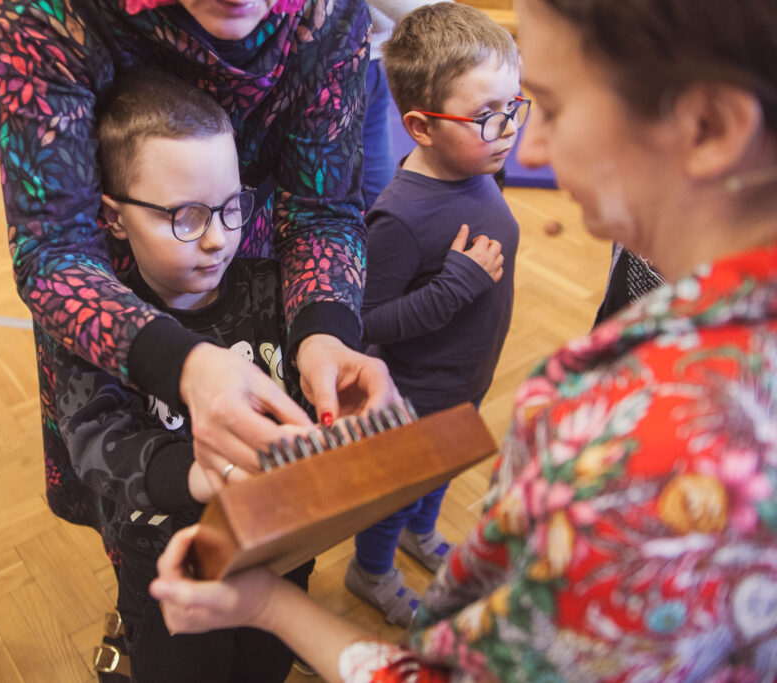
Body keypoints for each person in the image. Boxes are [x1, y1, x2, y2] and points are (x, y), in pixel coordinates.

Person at [149, 0, 777, 680]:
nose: (530, 148)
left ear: (709, 127)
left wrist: (268, 603)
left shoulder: (642, 449)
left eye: (554, 107)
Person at [0, 0, 399, 532]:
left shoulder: (329, 13)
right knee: (139, 511)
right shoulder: (46, 13)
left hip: (251, 260)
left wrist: (325, 333)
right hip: (108, 300)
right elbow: (53, 248)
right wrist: (187, 364)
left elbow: (322, 205)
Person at [55, 70, 313, 682]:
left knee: (264, 664)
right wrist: (198, 473)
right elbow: (95, 443)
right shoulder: (101, 322)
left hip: (279, 545)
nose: (217, 239)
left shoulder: (271, 292)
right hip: (167, 565)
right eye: (186, 217)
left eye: (229, 208)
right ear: (114, 218)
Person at [345, 2, 522, 628]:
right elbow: (369, 323)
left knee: (443, 470)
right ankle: (370, 570)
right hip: (415, 397)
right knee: (395, 496)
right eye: (485, 117)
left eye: (513, 109)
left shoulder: (476, 164)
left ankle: (423, 534)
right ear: (420, 127)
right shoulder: (399, 217)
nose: (506, 131)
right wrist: (456, 286)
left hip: (465, 378)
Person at [361, 0, 454, 209]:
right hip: (342, 63)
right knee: (329, 186)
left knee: (378, 181)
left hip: (375, 59)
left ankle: (382, 233)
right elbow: (421, 11)